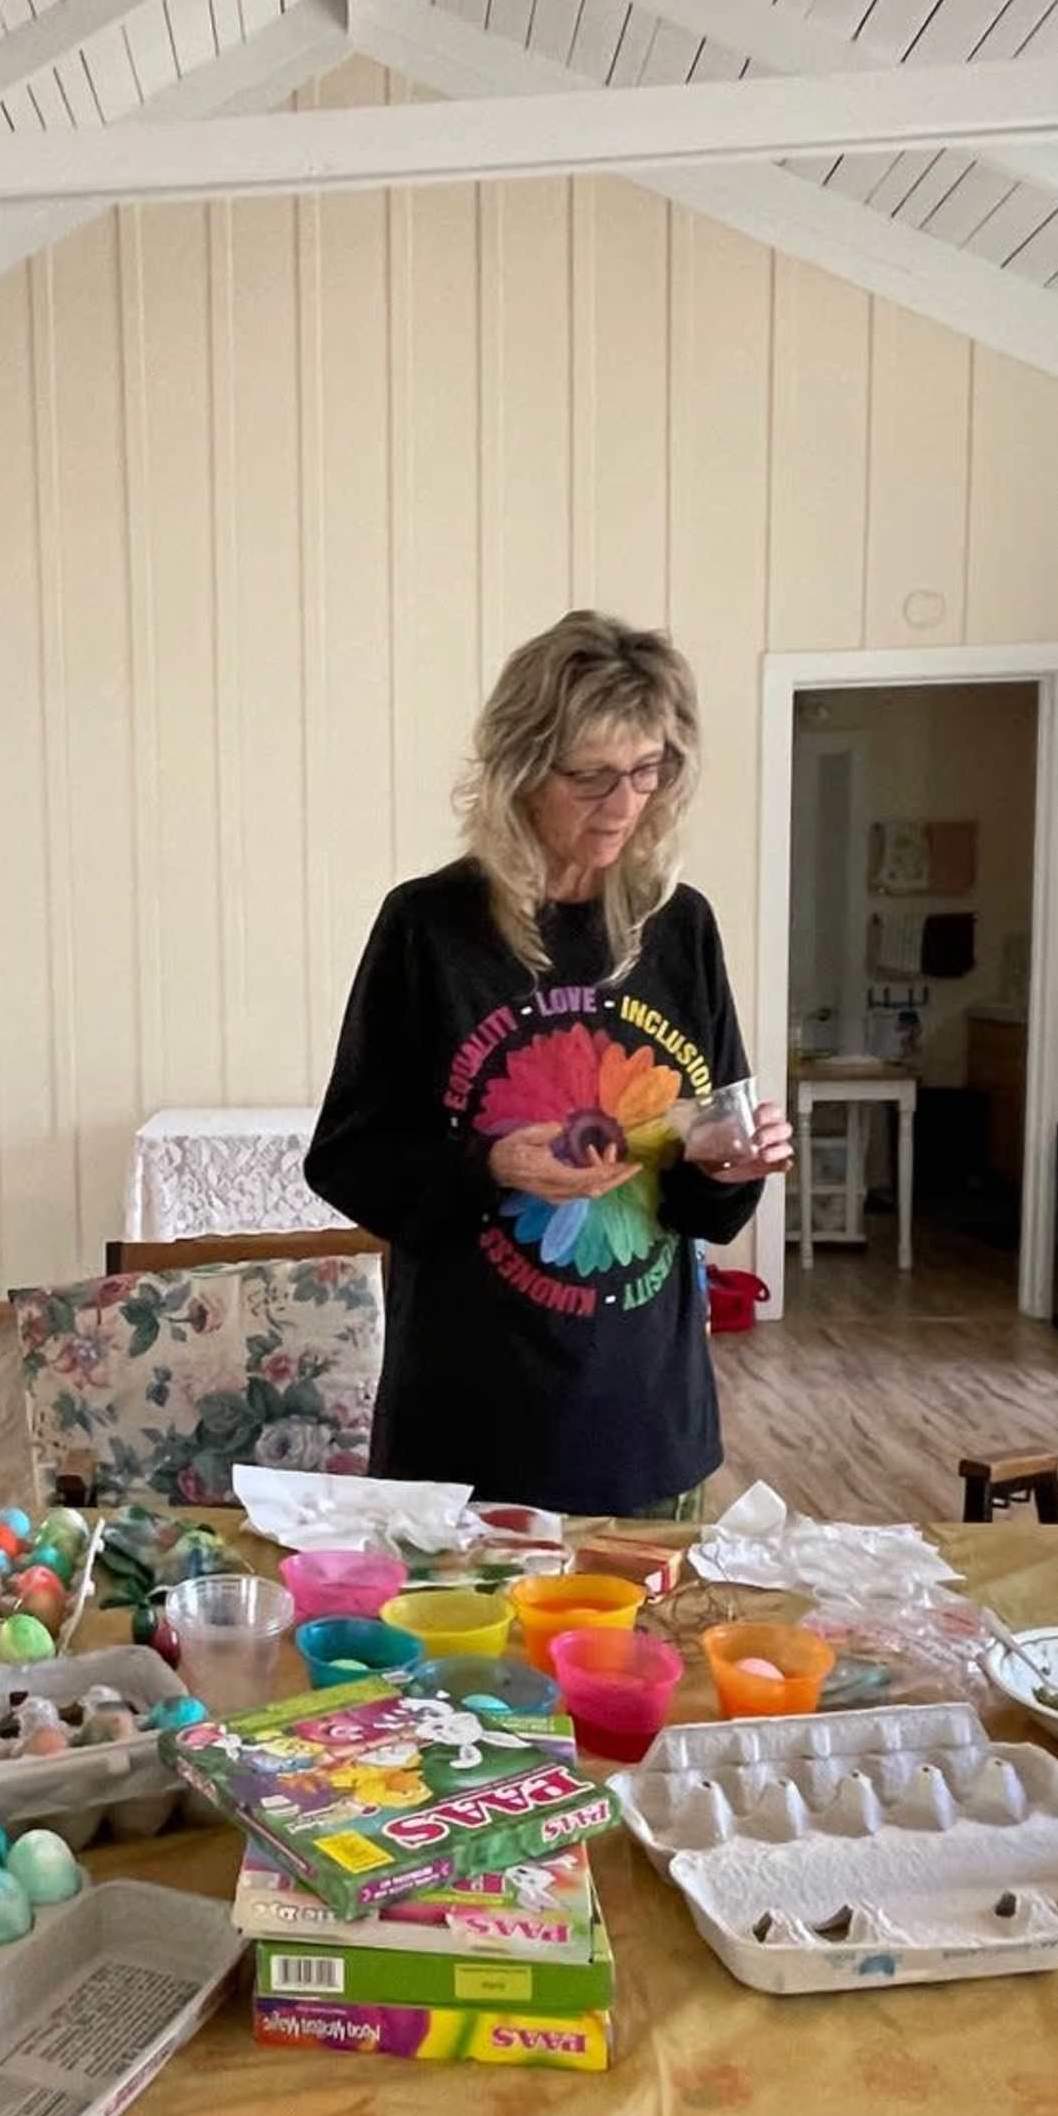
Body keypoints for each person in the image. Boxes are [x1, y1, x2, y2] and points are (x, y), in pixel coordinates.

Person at [304, 610, 796, 1518]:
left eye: (647, 772)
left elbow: (705, 1206)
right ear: (522, 770)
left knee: (644, 1663)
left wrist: (727, 1166)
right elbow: (346, 1158)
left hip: (648, 1426)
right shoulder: (428, 928)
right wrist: (487, 1165)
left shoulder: (678, 927)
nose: (623, 805)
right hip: (467, 1433)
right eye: (591, 777)